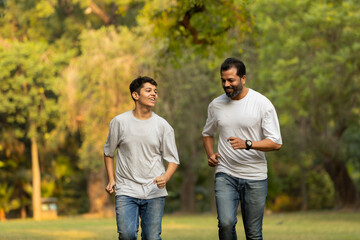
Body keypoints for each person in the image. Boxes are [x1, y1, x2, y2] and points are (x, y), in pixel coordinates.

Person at [202, 58, 282, 240]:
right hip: (225, 173)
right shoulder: (216, 105)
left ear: (243, 78)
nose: (226, 85)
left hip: (255, 176)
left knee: (253, 234)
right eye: (223, 80)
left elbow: (276, 142)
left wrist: (248, 143)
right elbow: (207, 133)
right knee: (226, 223)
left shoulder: (262, 104)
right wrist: (210, 154)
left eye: (231, 80)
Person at [103, 76, 179, 240]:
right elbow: (109, 152)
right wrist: (111, 179)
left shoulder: (163, 126)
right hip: (126, 189)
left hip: (154, 192)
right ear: (135, 95)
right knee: (127, 235)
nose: (154, 94)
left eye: (155, 91)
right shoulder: (119, 122)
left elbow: (173, 159)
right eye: (148, 90)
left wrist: (165, 177)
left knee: (152, 237)